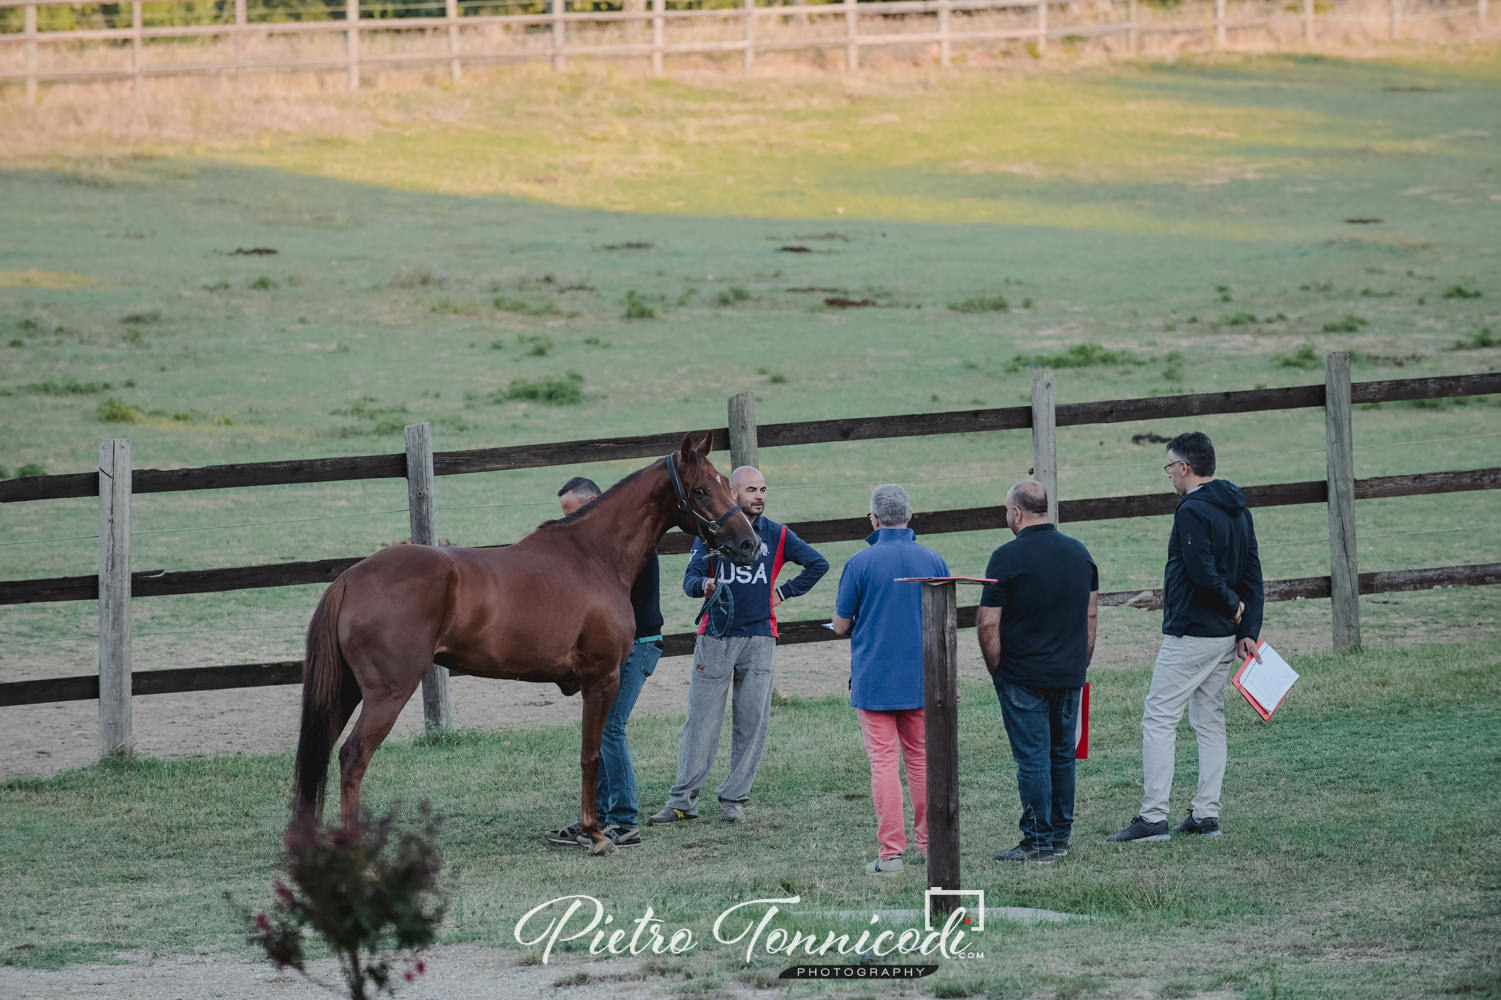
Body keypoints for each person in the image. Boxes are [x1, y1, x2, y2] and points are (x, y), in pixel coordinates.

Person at [650, 466, 828, 825]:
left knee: (752, 721)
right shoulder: (711, 533)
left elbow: (817, 564)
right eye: (751, 490)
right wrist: (705, 587)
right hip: (715, 636)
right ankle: (683, 801)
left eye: (763, 489)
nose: (759, 496)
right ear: (732, 494)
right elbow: (690, 581)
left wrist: (782, 592)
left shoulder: (777, 535)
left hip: (760, 638)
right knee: (701, 721)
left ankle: (733, 798)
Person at [1108, 431, 1263, 843]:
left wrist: (1234, 606)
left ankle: (1153, 816)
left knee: (1159, 716)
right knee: (1210, 720)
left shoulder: (1192, 510)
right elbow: (1253, 572)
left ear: (1184, 467)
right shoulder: (1237, 507)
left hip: (1193, 631)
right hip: (1224, 637)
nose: (1170, 476)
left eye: (1170, 467)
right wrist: (1247, 629)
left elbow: (1200, 570)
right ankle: (1205, 813)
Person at [977, 480, 1098, 864]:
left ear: (1017, 512)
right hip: (1068, 671)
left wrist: (997, 669)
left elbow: (987, 625)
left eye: (1006, 510)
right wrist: (1080, 662)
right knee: (1062, 755)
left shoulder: (1006, 558)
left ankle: (1037, 841)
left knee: (1031, 758)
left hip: (1022, 674)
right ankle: (1061, 837)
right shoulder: (1081, 554)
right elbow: (1091, 614)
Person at [832, 484, 949, 875]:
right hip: (923, 678)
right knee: (920, 760)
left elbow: (841, 623)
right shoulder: (934, 560)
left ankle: (891, 853)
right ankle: (932, 842)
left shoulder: (860, 563)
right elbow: (945, 624)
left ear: (874, 519)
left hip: (874, 679)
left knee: (883, 764)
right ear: (910, 514)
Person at [543, 475, 663, 850]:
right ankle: (598, 817)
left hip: (637, 645)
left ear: (595, 503)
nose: (568, 525)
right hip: (614, 650)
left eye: (574, 514)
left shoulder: (625, 545)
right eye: (563, 517)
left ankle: (624, 820)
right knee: (602, 727)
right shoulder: (598, 546)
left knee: (610, 728)